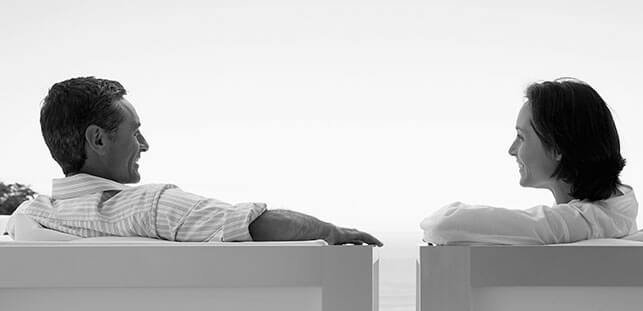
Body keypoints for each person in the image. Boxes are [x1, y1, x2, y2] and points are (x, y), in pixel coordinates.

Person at [16, 76, 381, 245]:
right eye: (134, 132)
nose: (144, 144)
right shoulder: (152, 208)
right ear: (97, 139)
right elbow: (259, 225)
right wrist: (335, 232)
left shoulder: (29, 217)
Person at [420, 78, 637, 244]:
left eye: (521, 137)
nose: (512, 150)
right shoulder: (611, 215)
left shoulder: (585, 222)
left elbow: (446, 224)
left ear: (557, 147)